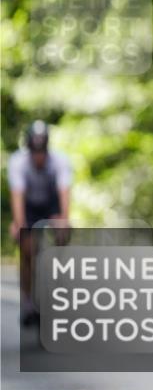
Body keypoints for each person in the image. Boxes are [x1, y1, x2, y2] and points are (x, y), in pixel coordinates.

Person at [7, 120, 73, 325]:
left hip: (50, 203)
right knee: (27, 249)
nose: (38, 157)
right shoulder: (18, 162)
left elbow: (64, 194)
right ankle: (28, 301)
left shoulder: (60, 161)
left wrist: (63, 220)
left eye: (41, 151)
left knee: (63, 234)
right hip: (29, 206)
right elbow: (18, 196)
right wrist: (19, 225)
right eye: (34, 151)